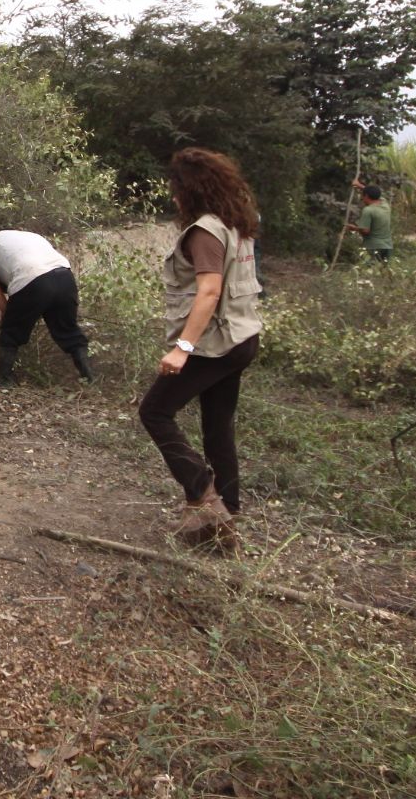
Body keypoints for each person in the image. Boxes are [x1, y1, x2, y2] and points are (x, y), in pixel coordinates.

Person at [136, 148, 264, 553]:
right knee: (218, 427)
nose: (174, 196)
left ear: (191, 189)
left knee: (154, 411)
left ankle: (203, 496)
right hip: (243, 338)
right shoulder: (237, 223)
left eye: (177, 188)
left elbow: (210, 290)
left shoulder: (206, 231)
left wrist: (182, 348)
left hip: (216, 345)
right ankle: (229, 517)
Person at [0, 230, 94, 387]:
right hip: (65, 277)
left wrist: (5, 309)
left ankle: (5, 380)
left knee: (11, 332)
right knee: (69, 331)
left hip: (31, 278)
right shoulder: (32, 236)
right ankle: (89, 378)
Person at [348, 180, 393, 262]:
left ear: (366, 196)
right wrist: (359, 185)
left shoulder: (368, 210)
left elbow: (365, 231)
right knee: (384, 272)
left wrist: (354, 228)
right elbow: (375, 193)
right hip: (388, 246)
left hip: (373, 246)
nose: (362, 198)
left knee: (370, 271)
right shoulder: (385, 204)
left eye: (363, 196)